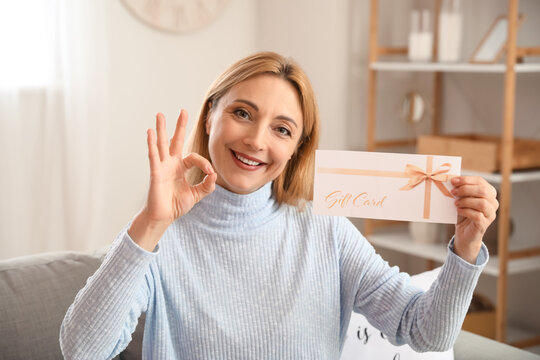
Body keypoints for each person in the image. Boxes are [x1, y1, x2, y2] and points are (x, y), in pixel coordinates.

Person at [60, 51, 498, 359]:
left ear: (296, 149)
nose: (256, 140)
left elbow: (425, 331)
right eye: (243, 113)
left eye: (282, 129)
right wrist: (151, 224)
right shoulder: (161, 235)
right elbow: (82, 350)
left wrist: (465, 248)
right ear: (210, 114)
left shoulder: (326, 231)